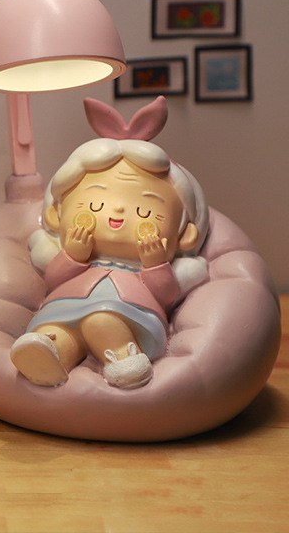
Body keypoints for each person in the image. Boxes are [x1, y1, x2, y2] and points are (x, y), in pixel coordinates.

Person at [11, 97, 208, 389]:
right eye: (95, 205)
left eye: (144, 211)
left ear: (184, 234)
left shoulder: (151, 265)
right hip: (65, 305)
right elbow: (54, 279)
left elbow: (166, 295)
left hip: (131, 313)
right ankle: (50, 356)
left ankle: (127, 360)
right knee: (54, 329)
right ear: (56, 216)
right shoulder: (77, 253)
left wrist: (154, 264)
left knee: (100, 321)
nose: (116, 211)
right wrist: (74, 256)